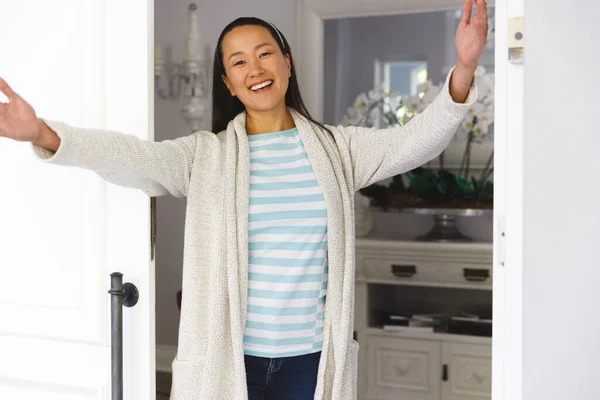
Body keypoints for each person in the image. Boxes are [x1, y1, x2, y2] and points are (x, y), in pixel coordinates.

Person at [0, 1, 488, 398]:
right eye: (238, 63)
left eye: (264, 54)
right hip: (230, 361)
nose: (254, 69)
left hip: (311, 363)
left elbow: (415, 141)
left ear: (286, 62)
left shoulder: (339, 150)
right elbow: (134, 157)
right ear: (229, 85)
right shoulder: (206, 157)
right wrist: (43, 132)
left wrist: (464, 67)